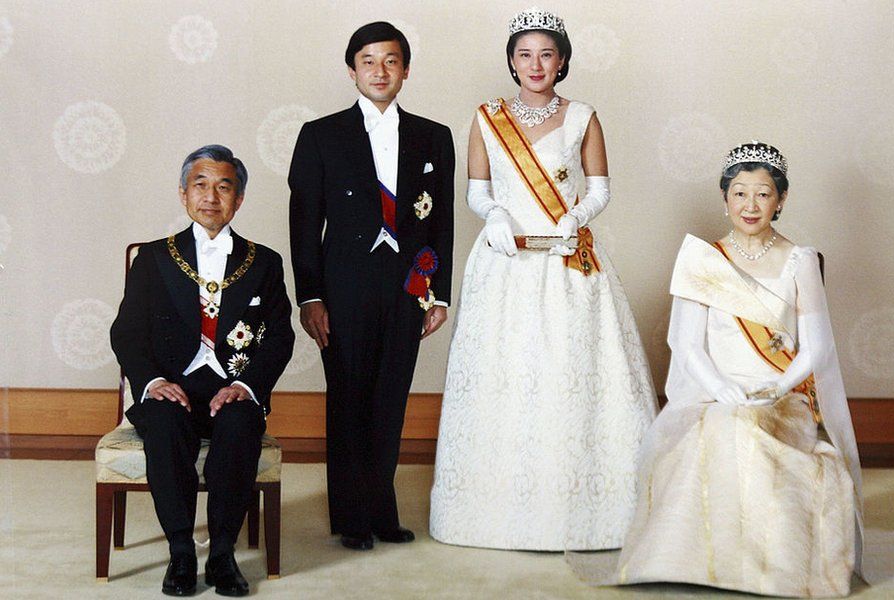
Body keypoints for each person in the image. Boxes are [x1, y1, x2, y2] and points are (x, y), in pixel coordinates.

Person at [583, 141, 863, 597]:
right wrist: (722, 388)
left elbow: (816, 349)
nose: (750, 205)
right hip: (714, 392)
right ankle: (694, 563)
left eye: (763, 194)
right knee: (720, 427)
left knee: (747, 428)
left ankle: (765, 568)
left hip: (781, 395)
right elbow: (688, 345)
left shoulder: (800, 260)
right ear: (724, 197)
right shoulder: (702, 259)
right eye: (739, 193)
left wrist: (778, 386)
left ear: (782, 199)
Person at [429, 7, 657, 551]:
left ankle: (585, 512)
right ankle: (493, 515)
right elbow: (477, 189)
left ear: (562, 61)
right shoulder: (487, 117)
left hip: (565, 259)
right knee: (506, 373)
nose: (536, 64)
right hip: (506, 262)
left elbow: (599, 188)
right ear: (511, 61)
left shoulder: (583, 116)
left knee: (570, 371)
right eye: (525, 54)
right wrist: (496, 216)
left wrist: (575, 217)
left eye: (546, 54)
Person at [288, 21, 455, 551]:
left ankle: (383, 509)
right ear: (352, 69)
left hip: (406, 288)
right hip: (342, 288)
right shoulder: (321, 134)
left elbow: (441, 224)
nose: (379, 71)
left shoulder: (434, 136)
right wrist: (310, 295)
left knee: (391, 398)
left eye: (391, 61)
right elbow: (303, 221)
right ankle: (352, 516)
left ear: (405, 70)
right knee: (349, 398)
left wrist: (438, 293)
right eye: (368, 61)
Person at [110, 145, 294, 597]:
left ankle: (224, 554)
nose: (212, 196)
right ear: (183, 194)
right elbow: (127, 333)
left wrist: (246, 387)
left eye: (224, 187)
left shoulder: (264, 261)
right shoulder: (154, 258)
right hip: (170, 388)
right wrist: (153, 383)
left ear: (239, 199)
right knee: (165, 422)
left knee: (240, 421)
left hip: (229, 389)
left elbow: (279, 338)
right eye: (201, 184)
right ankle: (180, 551)